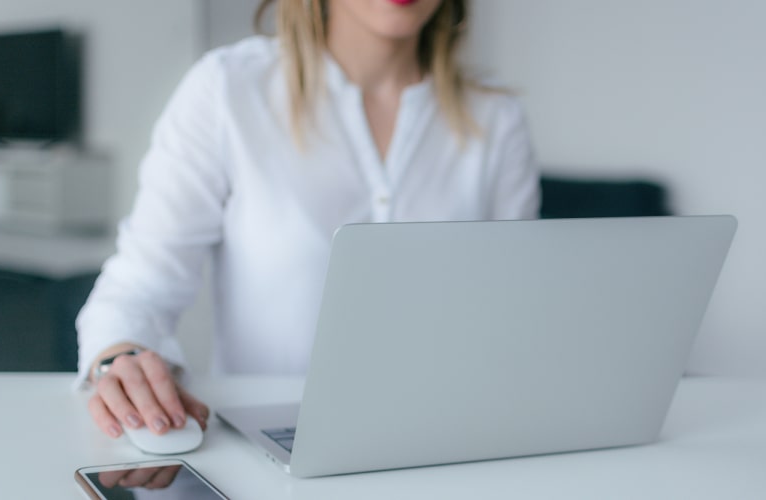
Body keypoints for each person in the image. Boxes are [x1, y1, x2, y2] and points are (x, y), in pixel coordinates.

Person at [77, 0, 540, 440]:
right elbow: (138, 288)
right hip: (270, 450)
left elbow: (516, 315)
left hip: (448, 442)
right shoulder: (228, 90)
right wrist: (120, 357)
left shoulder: (497, 121)